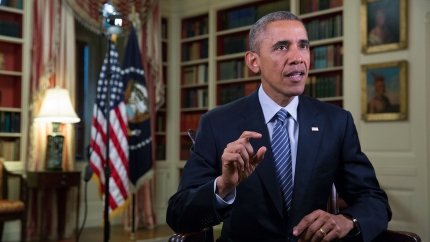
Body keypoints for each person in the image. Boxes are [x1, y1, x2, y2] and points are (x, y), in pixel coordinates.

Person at [166, 11, 391, 242]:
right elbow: (178, 214)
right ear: (254, 62)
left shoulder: (336, 121)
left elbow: (373, 199)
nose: (298, 57)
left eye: (303, 46)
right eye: (282, 47)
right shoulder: (217, 123)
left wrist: (346, 220)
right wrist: (223, 186)